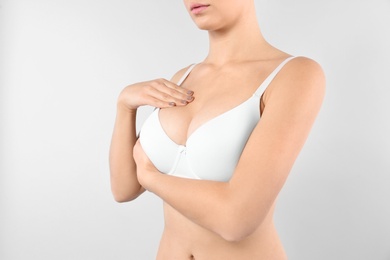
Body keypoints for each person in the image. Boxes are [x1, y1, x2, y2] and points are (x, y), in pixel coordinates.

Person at [109, 0, 325, 259]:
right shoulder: (182, 77)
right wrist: (125, 106)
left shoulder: (294, 74)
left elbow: (236, 219)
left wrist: (150, 177)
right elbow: (123, 189)